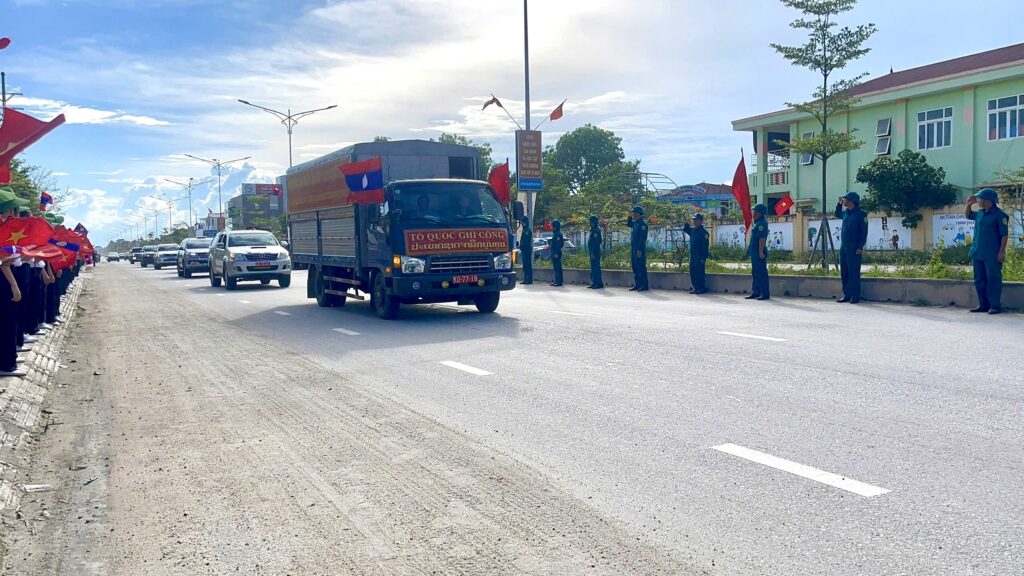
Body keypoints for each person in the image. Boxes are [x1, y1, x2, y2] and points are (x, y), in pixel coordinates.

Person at [965, 188, 1009, 315]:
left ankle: (995, 306)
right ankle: (983, 305)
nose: (978, 201)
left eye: (980, 198)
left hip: (992, 254)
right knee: (979, 279)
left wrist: (1001, 252)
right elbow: (968, 215)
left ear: (988, 200)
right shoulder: (980, 213)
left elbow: (1004, 235)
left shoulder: (1000, 215)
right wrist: (968, 205)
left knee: (993, 279)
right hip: (978, 251)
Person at [835, 192, 869, 304]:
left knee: (853, 271)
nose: (844, 201)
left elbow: (864, 232)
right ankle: (847, 294)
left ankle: (855, 296)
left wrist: (860, 246)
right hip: (844, 247)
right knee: (844, 271)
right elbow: (837, 213)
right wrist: (839, 204)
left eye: (845, 199)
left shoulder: (862, 214)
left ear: (852, 201)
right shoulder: (846, 213)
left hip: (854, 247)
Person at [745, 204, 770, 301]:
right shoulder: (757, 223)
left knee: (761, 273)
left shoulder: (761, 224)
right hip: (754, 252)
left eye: (755, 212)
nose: (753, 214)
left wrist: (760, 251)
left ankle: (764, 293)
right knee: (755, 273)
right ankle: (756, 292)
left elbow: (762, 239)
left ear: (760, 213)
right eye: (753, 212)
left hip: (758, 252)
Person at [682, 213, 710, 294]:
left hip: (699, 256)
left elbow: (705, 246)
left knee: (699, 272)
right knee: (693, 272)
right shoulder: (693, 230)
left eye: (696, 220)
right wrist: (687, 223)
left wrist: (703, 258)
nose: (694, 221)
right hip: (693, 255)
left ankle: (701, 288)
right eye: (694, 220)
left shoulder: (704, 233)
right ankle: (696, 287)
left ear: (701, 221)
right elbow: (686, 229)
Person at [628, 206, 649, 291]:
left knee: (641, 267)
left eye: (634, 213)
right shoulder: (636, 223)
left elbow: (642, 238)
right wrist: (629, 216)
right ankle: (638, 284)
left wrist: (639, 249)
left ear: (638, 213)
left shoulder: (643, 224)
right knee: (635, 267)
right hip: (634, 247)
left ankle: (644, 285)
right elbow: (629, 224)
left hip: (639, 248)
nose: (633, 214)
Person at [586, 215, 604, 289]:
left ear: (594, 222)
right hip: (592, 252)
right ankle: (594, 282)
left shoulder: (596, 231)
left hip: (595, 252)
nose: (590, 223)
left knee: (596, 268)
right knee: (593, 268)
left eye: (591, 221)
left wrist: (593, 253)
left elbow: (596, 243)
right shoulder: (593, 230)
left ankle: (598, 283)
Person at [549, 219, 564, 287]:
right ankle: (556, 280)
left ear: (555, 226)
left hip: (556, 253)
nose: (551, 227)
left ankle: (559, 282)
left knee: (558, 268)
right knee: (555, 268)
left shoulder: (558, 234)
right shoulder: (555, 233)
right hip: (554, 252)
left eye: (552, 226)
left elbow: (558, 245)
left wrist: (555, 253)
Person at [519, 216, 533, 285]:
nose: (522, 223)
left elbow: (526, 241)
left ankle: (529, 279)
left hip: (527, 249)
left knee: (527, 265)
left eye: (523, 222)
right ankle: (525, 279)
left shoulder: (527, 230)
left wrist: (521, 245)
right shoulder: (524, 230)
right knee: (525, 265)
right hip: (524, 250)